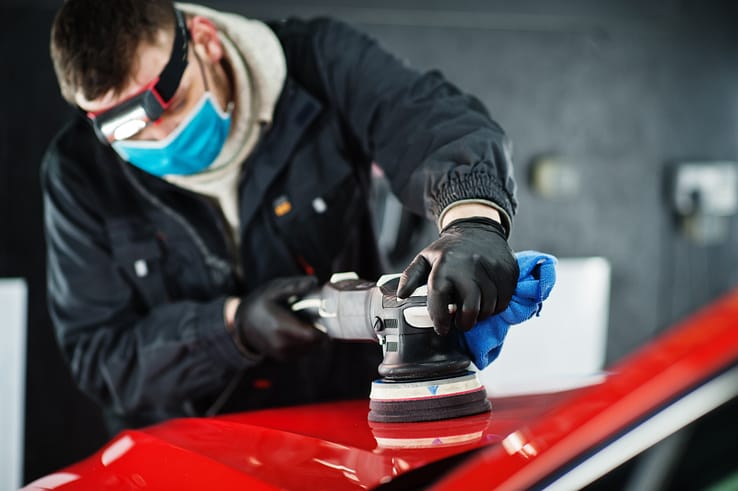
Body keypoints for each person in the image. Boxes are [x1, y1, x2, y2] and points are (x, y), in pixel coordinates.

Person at [44, 0, 519, 433]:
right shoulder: (79, 172)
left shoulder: (318, 63)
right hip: (188, 450)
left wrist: (471, 220)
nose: (155, 140)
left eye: (167, 106)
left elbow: (429, 121)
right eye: (125, 130)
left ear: (205, 41)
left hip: (345, 426)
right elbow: (102, 356)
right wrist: (232, 328)